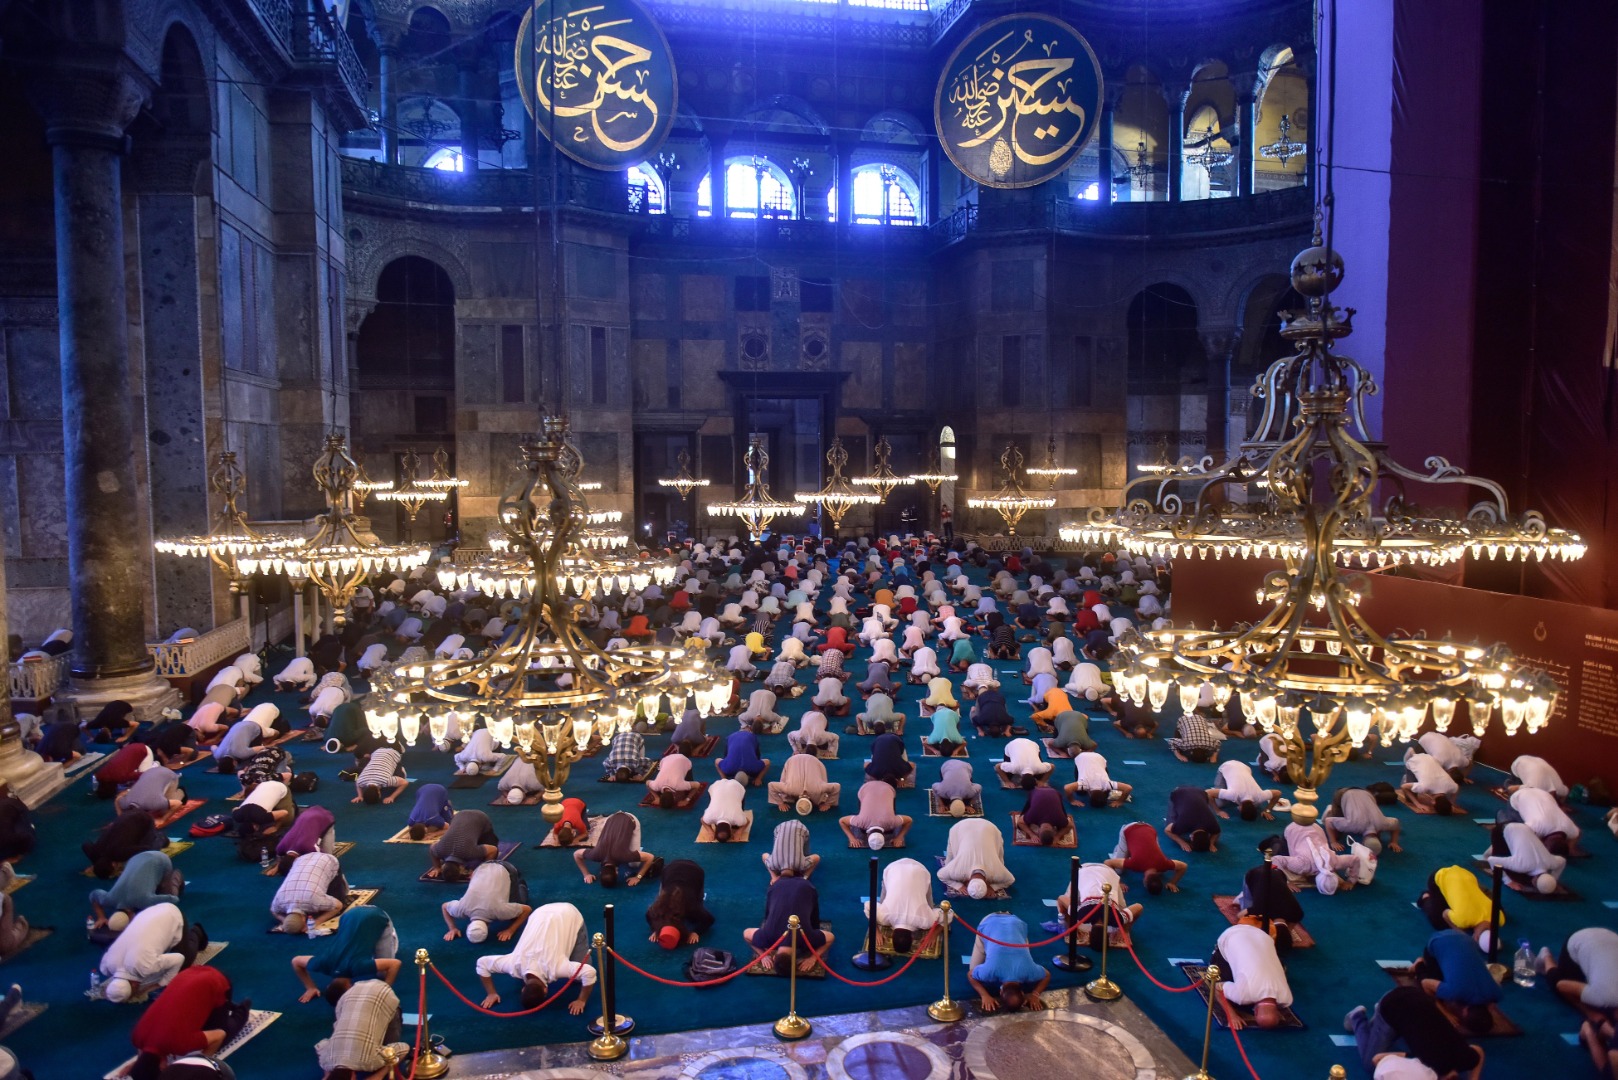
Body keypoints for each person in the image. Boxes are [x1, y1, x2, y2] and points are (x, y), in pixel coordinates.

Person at [126, 964, 243, 1080]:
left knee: (221, 1036)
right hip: (188, 973)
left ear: (162, 1068)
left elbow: (219, 1035)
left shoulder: (178, 1044)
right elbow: (144, 1053)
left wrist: (199, 1062)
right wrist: (139, 1065)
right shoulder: (136, 1038)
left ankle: (241, 1010)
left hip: (218, 980)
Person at [1345, 985, 1485, 1080]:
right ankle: (1357, 1017)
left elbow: (1478, 1051)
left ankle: (1383, 1019)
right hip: (1393, 1006)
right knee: (1369, 1065)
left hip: (1415, 994)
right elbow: (1378, 1058)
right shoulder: (1427, 1064)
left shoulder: (1465, 1059)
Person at [99, 903, 206, 1003]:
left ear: (134, 985)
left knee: (185, 962)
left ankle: (196, 931)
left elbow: (179, 958)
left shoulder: (146, 966)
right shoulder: (107, 966)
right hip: (147, 912)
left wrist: (160, 984)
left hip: (171, 914)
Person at [293, 904, 401, 1003]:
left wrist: (386, 989)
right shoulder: (322, 964)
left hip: (377, 915)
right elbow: (296, 961)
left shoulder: (357, 967)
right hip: (349, 914)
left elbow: (395, 964)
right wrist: (310, 987)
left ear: (350, 987)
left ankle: (390, 935)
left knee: (382, 974)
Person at [1410, 929, 1500, 1035]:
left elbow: (1493, 996)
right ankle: (1418, 964)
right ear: (1464, 1012)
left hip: (1463, 937)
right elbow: (1425, 983)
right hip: (1438, 941)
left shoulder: (1496, 993)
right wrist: (1444, 1012)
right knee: (1429, 989)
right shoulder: (1455, 992)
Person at [1210, 923, 1292, 1031]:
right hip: (1231, 935)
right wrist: (1232, 1016)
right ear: (1255, 1012)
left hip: (1263, 936)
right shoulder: (1242, 996)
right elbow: (1216, 988)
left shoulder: (1287, 998)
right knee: (1218, 979)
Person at [315, 977, 403, 1078]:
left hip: (383, 993)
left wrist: (378, 1076)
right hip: (349, 995)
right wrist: (327, 1074)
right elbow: (320, 1045)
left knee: (390, 1051)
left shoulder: (370, 1062)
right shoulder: (326, 1061)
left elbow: (404, 1048)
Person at [744, 874, 832, 973]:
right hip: (783, 886)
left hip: (797, 886)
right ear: (774, 957)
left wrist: (763, 955)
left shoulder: (806, 938)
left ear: (774, 958)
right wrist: (763, 955)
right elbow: (746, 934)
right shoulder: (767, 937)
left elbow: (830, 938)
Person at [966, 912, 1049, 1012]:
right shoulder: (989, 972)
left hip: (1016, 921)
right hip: (989, 921)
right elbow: (970, 975)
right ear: (1000, 991)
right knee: (973, 970)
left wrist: (1035, 995)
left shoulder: (1029, 972)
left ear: (1022, 992)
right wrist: (984, 995)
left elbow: (1047, 975)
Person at [1538, 927, 1618, 1022]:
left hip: (1608, 937)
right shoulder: (1605, 997)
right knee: (1557, 981)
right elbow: (1562, 985)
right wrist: (1590, 1013)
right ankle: (1545, 956)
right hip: (1580, 940)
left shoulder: (1606, 996)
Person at [441, 861, 531, 944]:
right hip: (481, 866)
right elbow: (444, 906)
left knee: (517, 910)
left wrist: (510, 930)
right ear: (469, 925)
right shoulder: (461, 909)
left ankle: (521, 884)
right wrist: (452, 928)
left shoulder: (500, 911)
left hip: (506, 869)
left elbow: (527, 909)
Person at [89, 849, 182, 928]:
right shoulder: (110, 899)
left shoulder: (143, 901)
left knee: (165, 893)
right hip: (134, 859)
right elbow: (93, 894)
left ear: (129, 913)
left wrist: (101, 917)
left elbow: (174, 899)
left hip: (161, 859)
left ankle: (177, 876)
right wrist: (101, 917)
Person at [867, 857, 942, 954]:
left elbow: (948, 913)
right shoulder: (883, 917)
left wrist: (934, 934)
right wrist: (876, 931)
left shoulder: (926, 921)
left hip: (919, 871)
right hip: (895, 869)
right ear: (893, 934)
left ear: (912, 937)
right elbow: (868, 905)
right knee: (929, 905)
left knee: (930, 907)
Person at [1270, 819, 1360, 894]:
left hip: (1315, 827)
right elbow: (1276, 859)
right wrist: (1285, 882)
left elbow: (1355, 859)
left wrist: (1351, 881)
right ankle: (1274, 840)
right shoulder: (1302, 865)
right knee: (1278, 851)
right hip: (1294, 829)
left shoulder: (1334, 862)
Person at [574, 810, 660, 887]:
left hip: (630, 819)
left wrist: (638, 877)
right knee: (627, 855)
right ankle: (632, 851)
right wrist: (586, 874)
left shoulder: (624, 856)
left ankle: (636, 852)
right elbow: (576, 854)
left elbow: (650, 857)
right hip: (610, 818)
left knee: (634, 864)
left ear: (617, 872)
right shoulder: (595, 855)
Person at [271, 850, 349, 935]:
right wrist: (284, 921)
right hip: (301, 859)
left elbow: (338, 906)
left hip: (328, 860)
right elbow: (273, 910)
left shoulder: (313, 900)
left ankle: (340, 879)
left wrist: (317, 921)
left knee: (340, 899)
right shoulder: (279, 901)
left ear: (304, 920)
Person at [645, 858, 714, 948]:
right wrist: (656, 930)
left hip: (694, 870)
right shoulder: (659, 907)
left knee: (698, 901)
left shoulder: (692, 906)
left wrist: (696, 932)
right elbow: (648, 916)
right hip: (669, 869)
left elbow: (709, 920)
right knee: (663, 890)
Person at [1102, 821, 1186, 894]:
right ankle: (1119, 849)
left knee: (1161, 869)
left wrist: (1173, 883)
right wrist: (1118, 883)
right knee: (1118, 871)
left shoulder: (1164, 864)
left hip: (1150, 828)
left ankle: (1128, 850)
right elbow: (1107, 863)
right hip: (1129, 829)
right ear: (1144, 882)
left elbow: (1184, 866)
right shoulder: (1135, 864)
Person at [938, 817, 1015, 897]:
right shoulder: (958, 871)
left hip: (991, 829)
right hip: (960, 828)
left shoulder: (997, 872)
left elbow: (1011, 879)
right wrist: (959, 886)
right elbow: (941, 874)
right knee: (948, 863)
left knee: (1000, 863)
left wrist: (993, 887)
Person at [1417, 866, 1504, 936]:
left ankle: (1480, 889)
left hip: (1464, 874)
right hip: (1438, 877)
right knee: (1440, 923)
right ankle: (1425, 897)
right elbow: (1445, 914)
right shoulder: (1462, 920)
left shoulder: (1499, 918)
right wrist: (1462, 934)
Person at [1483, 819, 1566, 892]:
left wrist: (1553, 879)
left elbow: (1562, 861)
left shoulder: (1551, 862)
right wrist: (1508, 882)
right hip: (1502, 829)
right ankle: (1494, 848)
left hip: (1524, 827)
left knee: (1515, 850)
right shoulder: (1522, 865)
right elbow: (1492, 860)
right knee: (1505, 865)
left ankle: (1500, 845)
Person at [84, 808, 165, 878]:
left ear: (113, 865)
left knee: (149, 851)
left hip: (145, 820)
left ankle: (161, 838)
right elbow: (85, 845)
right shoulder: (95, 852)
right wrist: (95, 863)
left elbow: (145, 849)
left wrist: (127, 871)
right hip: (126, 815)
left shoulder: (120, 854)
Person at [426, 808, 499, 883]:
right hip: (458, 815)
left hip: (481, 818)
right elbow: (432, 848)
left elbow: (494, 850)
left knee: (491, 849)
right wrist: (437, 867)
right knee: (476, 846)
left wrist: (481, 870)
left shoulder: (469, 852)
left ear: (461, 868)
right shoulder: (440, 850)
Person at [1324, 787, 1403, 853]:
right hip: (1343, 794)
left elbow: (1396, 822)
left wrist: (1394, 841)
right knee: (1337, 834)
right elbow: (1328, 821)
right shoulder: (1353, 825)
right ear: (1362, 842)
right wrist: (1333, 842)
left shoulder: (1383, 824)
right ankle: (1329, 809)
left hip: (1367, 793)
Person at [838, 778, 913, 849]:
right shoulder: (860, 822)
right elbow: (842, 821)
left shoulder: (891, 822)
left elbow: (842, 821)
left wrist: (899, 837)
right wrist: (852, 838)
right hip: (869, 788)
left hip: (885, 788)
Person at [1510, 785, 1581, 852]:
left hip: (1544, 794)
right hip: (1519, 796)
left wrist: (1570, 848)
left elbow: (1578, 833)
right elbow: (1522, 836)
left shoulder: (1571, 830)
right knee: (1510, 826)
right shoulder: (1535, 827)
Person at [1207, 760, 1281, 821]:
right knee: (1220, 804)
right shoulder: (1233, 795)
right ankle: (1221, 789)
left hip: (1245, 767)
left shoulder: (1260, 797)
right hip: (1226, 767)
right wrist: (1217, 811)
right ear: (1240, 809)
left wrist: (1267, 810)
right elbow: (1208, 793)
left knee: (1257, 804)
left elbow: (1278, 793)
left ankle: (1224, 790)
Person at [768, 753, 840, 814]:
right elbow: (836, 786)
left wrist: (780, 803)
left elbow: (771, 785)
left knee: (786, 794)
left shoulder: (790, 789)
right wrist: (828, 803)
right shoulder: (791, 788)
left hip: (807, 760)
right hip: (805, 760)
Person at [1164, 784, 1222, 853]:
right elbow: (1167, 830)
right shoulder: (1183, 824)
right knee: (1170, 824)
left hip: (1201, 792)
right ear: (1191, 837)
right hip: (1177, 793)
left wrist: (1211, 843)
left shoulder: (1211, 824)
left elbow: (1217, 832)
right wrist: (1181, 842)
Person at [1065, 749, 1131, 808]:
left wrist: (1120, 801)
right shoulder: (1084, 784)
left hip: (1098, 757)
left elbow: (1128, 788)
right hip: (1083, 757)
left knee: (1080, 792)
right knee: (1080, 792)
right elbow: (1067, 788)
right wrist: (1072, 801)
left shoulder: (1107, 784)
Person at [116, 764, 185, 818]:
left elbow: (178, 803)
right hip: (150, 772)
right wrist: (120, 816)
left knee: (163, 811)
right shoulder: (125, 803)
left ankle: (181, 792)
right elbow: (117, 800)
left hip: (169, 775)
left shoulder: (153, 803)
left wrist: (162, 820)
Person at [717, 722, 771, 786]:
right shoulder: (752, 768)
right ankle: (724, 779)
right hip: (736, 739)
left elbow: (767, 762)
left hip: (734, 739)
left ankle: (724, 780)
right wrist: (758, 778)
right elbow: (763, 759)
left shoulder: (729, 769)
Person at [701, 776, 750, 841]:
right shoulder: (709, 817)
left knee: (737, 826)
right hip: (716, 786)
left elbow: (747, 821)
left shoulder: (738, 819)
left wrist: (739, 832)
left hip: (736, 786)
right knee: (738, 823)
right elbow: (702, 820)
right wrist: (710, 831)